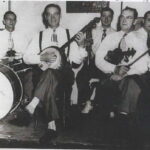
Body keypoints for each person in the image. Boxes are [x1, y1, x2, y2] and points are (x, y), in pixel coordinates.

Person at [9, 4, 87, 143]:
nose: (53, 17)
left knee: (50, 76)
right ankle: (51, 127)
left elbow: (76, 61)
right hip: (44, 75)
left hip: (65, 76)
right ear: (45, 17)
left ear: (60, 15)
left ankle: (32, 105)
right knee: (49, 77)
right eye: (49, 14)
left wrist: (81, 47)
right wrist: (41, 58)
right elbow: (26, 57)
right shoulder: (39, 35)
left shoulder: (70, 34)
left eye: (55, 14)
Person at [95, 6, 142, 118]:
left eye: (129, 17)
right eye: (122, 17)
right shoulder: (111, 37)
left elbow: (143, 65)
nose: (124, 20)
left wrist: (124, 74)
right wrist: (114, 70)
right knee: (105, 87)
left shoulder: (140, 39)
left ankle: (123, 117)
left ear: (135, 21)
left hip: (130, 78)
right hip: (111, 76)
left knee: (131, 84)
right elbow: (98, 59)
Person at [82, 7, 116, 114]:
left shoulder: (116, 34)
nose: (106, 19)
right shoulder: (92, 31)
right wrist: (85, 45)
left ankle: (103, 105)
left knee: (105, 76)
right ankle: (88, 102)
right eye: (103, 16)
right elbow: (84, 47)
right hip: (93, 62)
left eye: (109, 16)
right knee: (81, 76)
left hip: (107, 63)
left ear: (112, 18)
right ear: (100, 17)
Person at [0, 11, 31, 101]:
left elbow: (27, 53)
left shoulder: (22, 35)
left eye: (13, 19)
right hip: (3, 66)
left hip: (19, 65)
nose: (11, 21)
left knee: (30, 73)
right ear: (4, 21)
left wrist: (20, 55)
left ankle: (26, 100)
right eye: (8, 19)